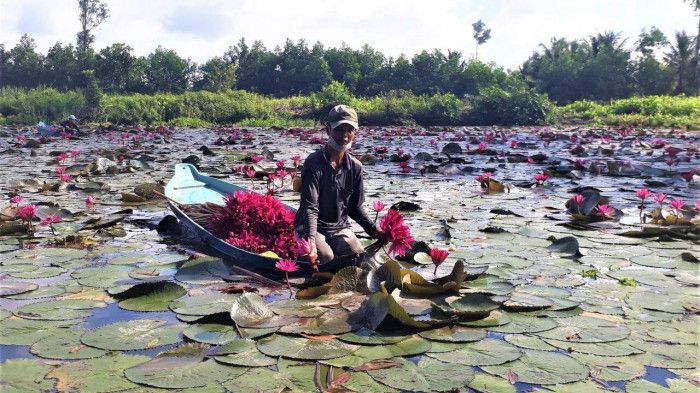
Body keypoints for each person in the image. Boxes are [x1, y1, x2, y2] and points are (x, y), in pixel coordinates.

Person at [294, 105, 385, 269]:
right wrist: (311, 240)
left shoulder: (356, 167)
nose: (344, 135)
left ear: (355, 132)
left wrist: (374, 230)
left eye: (349, 129)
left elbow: (354, 208)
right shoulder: (314, 163)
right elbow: (310, 207)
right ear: (328, 129)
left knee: (358, 260)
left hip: (339, 228)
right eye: (339, 129)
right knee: (326, 257)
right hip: (310, 226)